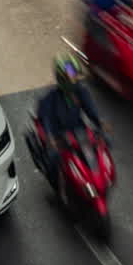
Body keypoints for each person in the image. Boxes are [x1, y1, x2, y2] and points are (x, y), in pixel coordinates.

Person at [36, 54, 103, 184]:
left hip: (79, 131)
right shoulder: (50, 99)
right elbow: (47, 120)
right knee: (53, 160)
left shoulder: (81, 91)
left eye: (75, 77)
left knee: (103, 144)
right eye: (72, 78)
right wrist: (51, 138)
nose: (76, 80)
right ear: (63, 80)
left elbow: (90, 109)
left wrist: (99, 123)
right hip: (59, 135)